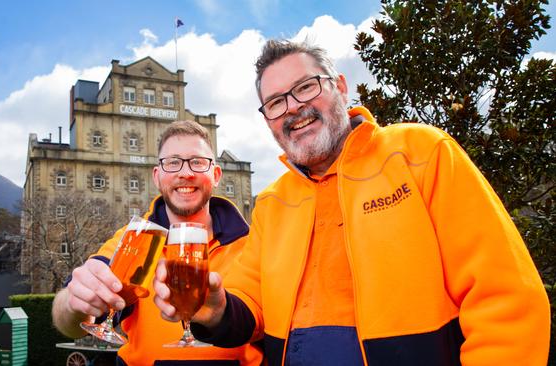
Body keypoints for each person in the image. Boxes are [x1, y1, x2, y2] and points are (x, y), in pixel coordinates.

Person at [153, 40, 551, 365]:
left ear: (341, 87)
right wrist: (216, 310)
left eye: (306, 87)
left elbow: (504, 300)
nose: (292, 107)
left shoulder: (421, 154)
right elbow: (249, 305)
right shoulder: (274, 202)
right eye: (275, 103)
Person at [52, 120, 263, 365]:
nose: (185, 173)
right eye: (173, 163)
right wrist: (73, 301)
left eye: (197, 161)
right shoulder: (136, 238)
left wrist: (221, 313)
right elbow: (70, 321)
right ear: (157, 176)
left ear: (215, 175)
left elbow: (267, 321)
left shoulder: (252, 241)